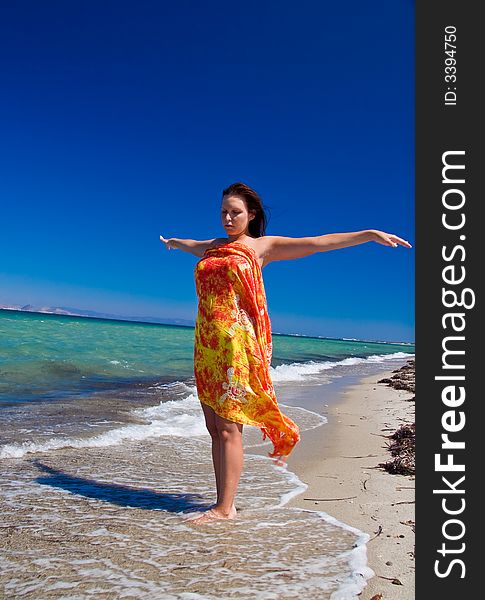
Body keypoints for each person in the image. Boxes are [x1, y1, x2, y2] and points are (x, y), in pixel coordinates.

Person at [160, 182, 411, 525]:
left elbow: (318, 243)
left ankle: (223, 508)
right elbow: (191, 245)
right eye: (223, 212)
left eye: (235, 212)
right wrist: (173, 243)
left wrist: (367, 234)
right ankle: (224, 501)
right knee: (213, 427)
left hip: (238, 348)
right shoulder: (214, 247)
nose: (228, 218)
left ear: (251, 215)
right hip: (207, 345)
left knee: (230, 427)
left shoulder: (263, 247)